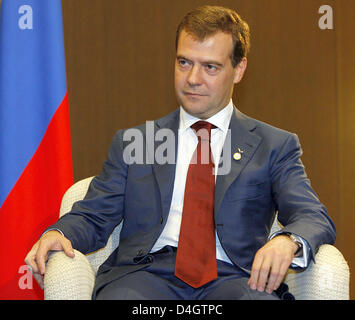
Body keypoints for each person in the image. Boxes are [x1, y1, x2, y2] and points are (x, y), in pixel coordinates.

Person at [25, 5, 336, 300]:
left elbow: (312, 215)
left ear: (239, 69)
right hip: (144, 276)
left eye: (210, 67)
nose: (192, 79)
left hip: (237, 278)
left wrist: (287, 240)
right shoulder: (135, 142)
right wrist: (59, 232)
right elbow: (93, 216)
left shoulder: (274, 145)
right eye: (184, 62)